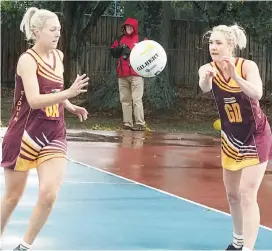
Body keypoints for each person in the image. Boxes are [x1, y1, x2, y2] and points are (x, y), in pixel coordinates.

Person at [0, 7, 89, 250]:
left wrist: (69, 104)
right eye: (52, 29)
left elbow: (53, 91)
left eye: (59, 29)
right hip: (23, 135)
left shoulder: (58, 56)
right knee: (11, 198)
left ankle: (24, 246)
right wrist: (69, 92)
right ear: (37, 32)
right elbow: (35, 99)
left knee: (49, 194)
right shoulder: (27, 60)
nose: (57, 33)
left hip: (53, 133)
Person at [198, 24, 272, 251]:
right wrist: (207, 78)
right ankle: (238, 241)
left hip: (255, 136)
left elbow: (257, 93)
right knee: (232, 195)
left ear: (231, 46)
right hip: (231, 139)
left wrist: (236, 77)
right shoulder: (206, 68)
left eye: (218, 43)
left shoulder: (247, 66)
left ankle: (248, 249)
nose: (213, 47)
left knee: (247, 194)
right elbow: (204, 87)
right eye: (211, 43)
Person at [110, 17, 146, 131]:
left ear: (134, 28)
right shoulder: (120, 39)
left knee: (137, 99)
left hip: (136, 74)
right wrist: (120, 48)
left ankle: (140, 123)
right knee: (125, 100)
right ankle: (127, 123)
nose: (128, 28)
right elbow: (113, 51)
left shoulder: (141, 39)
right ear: (124, 27)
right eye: (127, 26)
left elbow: (148, 52)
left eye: (130, 27)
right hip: (122, 74)